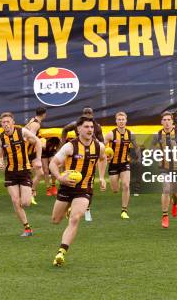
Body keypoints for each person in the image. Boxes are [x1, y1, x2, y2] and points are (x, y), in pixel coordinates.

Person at [50, 116, 107, 267]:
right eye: (86, 127)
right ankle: (69, 209)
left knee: (75, 218)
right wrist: (59, 178)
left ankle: (61, 252)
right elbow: (53, 164)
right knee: (55, 220)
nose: (90, 130)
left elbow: (103, 159)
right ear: (78, 129)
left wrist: (101, 177)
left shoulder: (99, 146)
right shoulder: (70, 147)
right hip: (67, 187)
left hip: (84, 189)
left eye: (91, 127)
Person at [0, 112, 42, 237]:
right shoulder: (0, 138)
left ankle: (31, 191)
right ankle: (27, 228)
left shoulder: (22, 132)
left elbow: (37, 142)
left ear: (13, 122)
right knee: (15, 201)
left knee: (25, 203)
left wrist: (38, 159)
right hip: (10, 172)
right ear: (1, 124)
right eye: (3, 122)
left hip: (24, 171)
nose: (6, 124)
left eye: (8, 121)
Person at [61, 107, 103, 221]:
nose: (88, 115)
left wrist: (97, 146)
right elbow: (64, 130)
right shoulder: (76, 124)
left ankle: (87, 209)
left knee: (89, 184)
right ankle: (71, 206)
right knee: (70, 182)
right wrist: (62, 143)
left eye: (90, 113)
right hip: (74, 156)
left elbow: (102, 141)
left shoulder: (97, 126)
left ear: (93, 114)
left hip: (89, 159)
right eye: (86, 113)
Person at [150, 111, 177, 228]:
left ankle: (174, 204)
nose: (166, 122)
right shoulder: (157, 135)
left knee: (176, 194)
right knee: (166, 189)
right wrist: (155, 152)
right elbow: (151, 147)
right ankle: (165, 215)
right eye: (164, 120)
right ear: (161, 122)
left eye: (168, 120)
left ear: (172, 121)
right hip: (164, 167)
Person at [104, 111, 140, 219]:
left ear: (126, 121)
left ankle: (124, 210)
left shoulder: (130, 134)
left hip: (125, 163)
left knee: (126, 185)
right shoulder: (111, 134)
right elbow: (101, 147)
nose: (121, 121)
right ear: (116, 121)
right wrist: (105, 155)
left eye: (123, 119)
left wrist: (138, 156)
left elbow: (136, 146)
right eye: (119, 119)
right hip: (113, 164)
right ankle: (116, 185)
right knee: (115, 190)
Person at [26, 107, 47, 205]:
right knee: (28, 175)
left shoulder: (32, 120)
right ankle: (29, 193)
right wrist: (40, 142)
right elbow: (30, 138)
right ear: (44, 114)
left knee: (40, 173)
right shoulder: (36, 124)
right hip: (27, 153)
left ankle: (31, 192)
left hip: (32, 152)